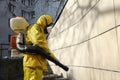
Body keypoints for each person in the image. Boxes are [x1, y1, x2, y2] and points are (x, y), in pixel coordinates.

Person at [23, 14, 57, 80]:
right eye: (49, 25)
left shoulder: (39, 30)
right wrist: (54, 58)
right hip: (33, 64)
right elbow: (40, 43)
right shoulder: (35, 27)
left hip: (34, 64)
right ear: (45, 23)